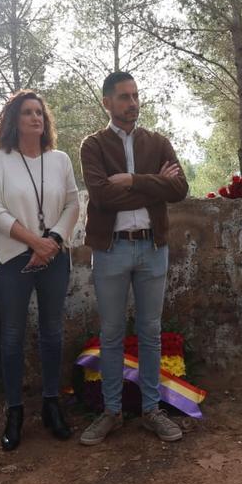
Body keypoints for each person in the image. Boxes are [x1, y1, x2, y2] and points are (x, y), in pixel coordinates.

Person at [77, 71, 189, 446]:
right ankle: (112, 412)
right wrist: (154, 183)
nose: (133, 103)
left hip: (152, 247)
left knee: (150, 332)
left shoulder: (158, 142)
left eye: (136, 95)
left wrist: (132, 180)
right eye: (124, 97)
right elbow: (102, 196)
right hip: (110, 249)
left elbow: (180, 189)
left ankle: (151, 410)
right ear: (107, 102)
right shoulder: (92, 146)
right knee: (111, 333)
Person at [0, 90, 80, 451]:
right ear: (13, 120)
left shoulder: (60, 160)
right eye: (27, 113)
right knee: (12, 335)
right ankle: (15, 411)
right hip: (12, 256)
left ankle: (52, 405)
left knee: (52, 331)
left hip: (54, 254)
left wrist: (51, 239)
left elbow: (72, 202)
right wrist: (32, 242)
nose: (35, 118)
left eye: (40, 112)